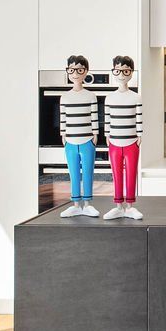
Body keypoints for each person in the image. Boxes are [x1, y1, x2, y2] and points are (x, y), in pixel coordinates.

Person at [103, 55, 143, 220]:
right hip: (114, 141)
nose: (121, 74)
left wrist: (140, 135)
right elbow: (107, 118)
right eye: (118, 70)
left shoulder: (136, 97)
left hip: (132, 141)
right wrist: (107, 135)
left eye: (125, 70)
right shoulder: (109, 98)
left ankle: (130, 206)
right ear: (113, 72)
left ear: (131, 73)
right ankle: (118, 205)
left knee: (131, 173)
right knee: (116, 173)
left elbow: (139, 117)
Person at [59, 55, 99, 217]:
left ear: (86, 72)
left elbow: (94, 116)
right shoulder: (65, 97)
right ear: (68, 71)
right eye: (72, 70)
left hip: (87, 140)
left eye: (79, 70)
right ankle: (76, 204)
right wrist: (63, 135)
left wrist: (95, 135)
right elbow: (63, 117)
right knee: (73, 173)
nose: (75, 73)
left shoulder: (91, 96)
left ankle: (88, 204)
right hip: (70, 140)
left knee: (88, 172)